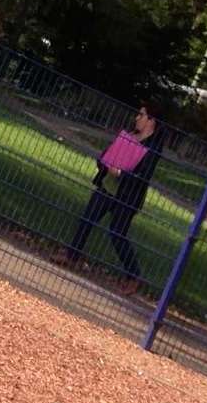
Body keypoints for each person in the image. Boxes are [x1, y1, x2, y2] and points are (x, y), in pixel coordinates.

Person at [69, 102, 163, 292]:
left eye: (141, 115)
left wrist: (121, 173)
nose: (137, 118)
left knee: (117, 233)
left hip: (127, 197)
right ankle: (71, 256)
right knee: (87, 219)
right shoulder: (130, 135)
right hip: (108, 187)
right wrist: (105, 163)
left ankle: (133, 276)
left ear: (151, 121)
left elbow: (143, 176)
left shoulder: (153, 148)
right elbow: (106, 154)